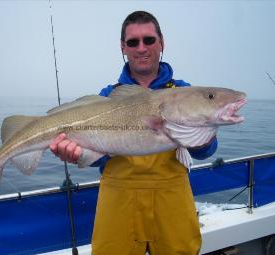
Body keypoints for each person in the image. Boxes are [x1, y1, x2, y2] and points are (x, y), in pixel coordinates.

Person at [50, 11, 217, 255]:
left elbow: (206, 151)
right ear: (123, 47)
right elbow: (98, 155)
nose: (141, 48)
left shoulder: (183, 92)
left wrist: (203, 137)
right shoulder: (107, 97)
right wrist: (77, 153)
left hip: (172, 199)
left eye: (149, 40)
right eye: (133, 42)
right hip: (119, 200)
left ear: (161, 43)